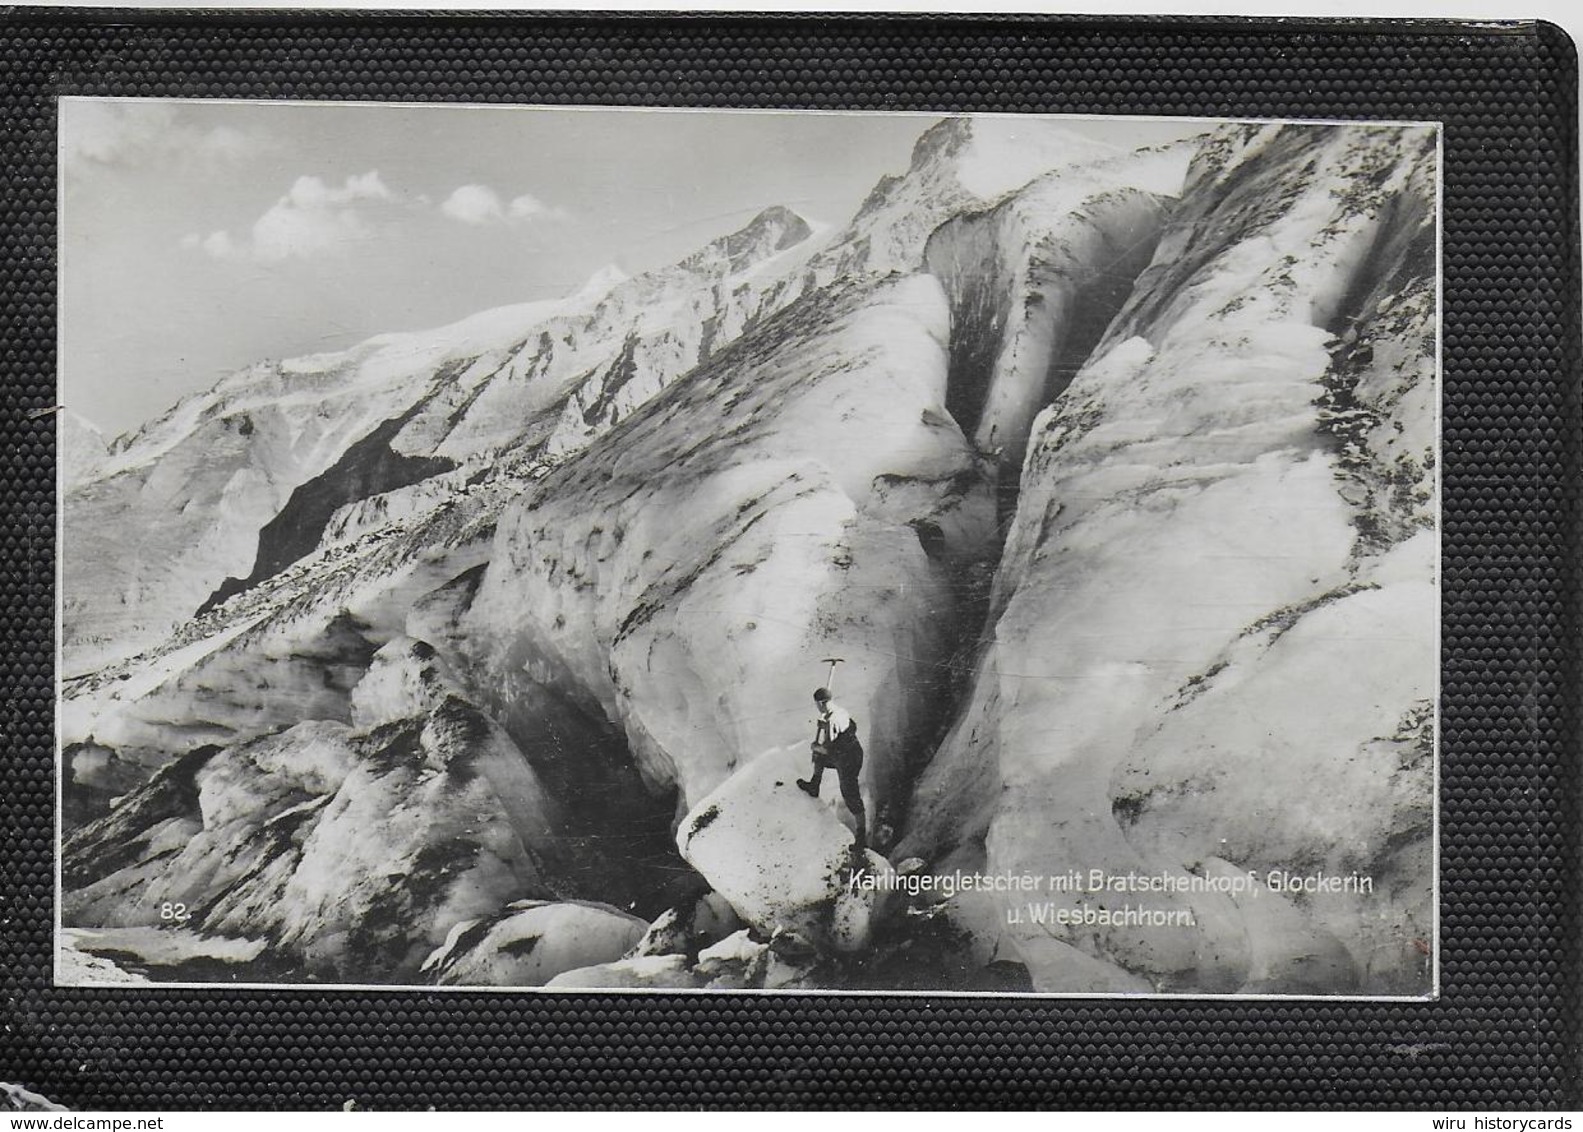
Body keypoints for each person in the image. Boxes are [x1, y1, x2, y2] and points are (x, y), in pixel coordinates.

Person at [797, 687, 867, 850]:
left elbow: (829, 749)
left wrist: (815, 746)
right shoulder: (839, 711)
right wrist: (825, 725)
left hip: (848, 760)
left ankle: (861, 838)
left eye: (817, 705)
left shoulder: (832, 720)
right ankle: (815, 786)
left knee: (850, 795)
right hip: (852, 752)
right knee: (820, 757)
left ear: (821, 703)